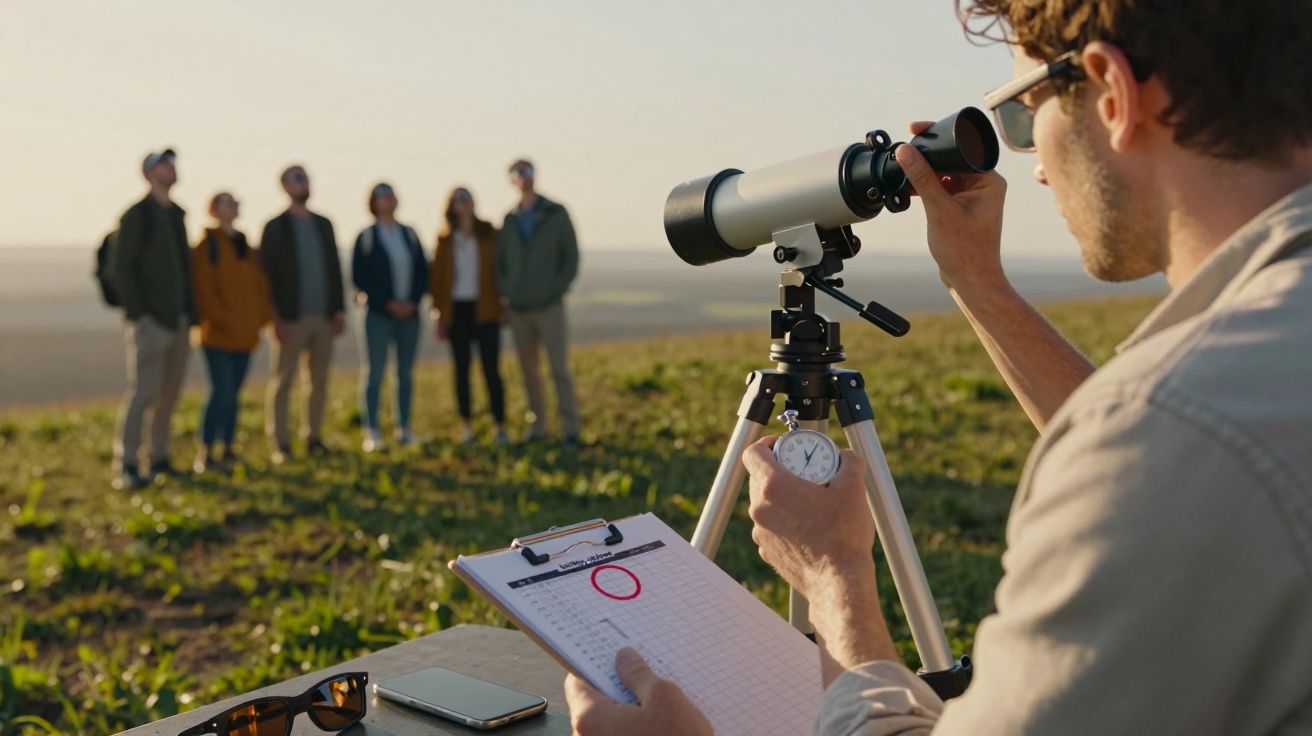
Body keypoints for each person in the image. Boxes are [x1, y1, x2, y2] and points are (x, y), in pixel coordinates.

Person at [565, 1, 1312, 734]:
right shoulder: (1234, 387)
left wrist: (837, 583)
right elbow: (1174, 461)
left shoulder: (1176, 434)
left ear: (1111, 92)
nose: (1037, 167)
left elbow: (1167, 452)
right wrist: (976, 282)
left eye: (1022, 115)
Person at [111, 148, 194, 490]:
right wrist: (140, 314)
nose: (171, 168)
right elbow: (122, 268)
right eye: (164, 164)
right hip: (150, 322)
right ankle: (126, 464)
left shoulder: (176, 215)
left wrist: (189, 313)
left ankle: (158, 458)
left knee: (169, 394)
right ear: (147, 174)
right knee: (142, 393)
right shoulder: (137, 216)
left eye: (173, 162)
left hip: (179, 319)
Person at [259, 165, 346, 464]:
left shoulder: (324, 224)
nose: (305, 182)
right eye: (297, 178)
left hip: (322, 316)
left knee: (319, 381)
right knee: (283, 382)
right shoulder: (275, 228)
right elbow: (265, 276)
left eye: (307, 177)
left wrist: (338, 309)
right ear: (285, 186)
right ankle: (280, 443)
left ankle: (314, 437)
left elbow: (334, 269)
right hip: (290, 319)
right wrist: (274, 318)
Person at [497, 159, 581, 446]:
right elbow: (501, 264)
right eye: (519, 172)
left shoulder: (555, 214)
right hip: (519, 309)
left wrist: (556, 288)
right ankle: (538, 427)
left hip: (549, 306)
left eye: (528, 170)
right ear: (511, 180)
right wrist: (508, 292)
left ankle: (570, 428)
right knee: (528, 372)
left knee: (559, 369)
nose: (525, 177)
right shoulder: (508, 220)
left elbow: (570, 257)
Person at [190, 192, 271, 473]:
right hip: (217, 335)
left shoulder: (244, 245)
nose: (234, 205)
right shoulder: (207, 245)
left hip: (245, 335)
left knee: (234, 393)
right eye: (227, 202)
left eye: (236, 202)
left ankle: (228, 447)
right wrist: (223, 320)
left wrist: (261, 319)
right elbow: (204, 290)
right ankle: (207, 450)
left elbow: (259, 287)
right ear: (213, 209)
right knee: (220, 391)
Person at [350, 182, 428, 452]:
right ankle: (372, 431)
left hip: (410, 315)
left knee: (405, 373)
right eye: (382, 194)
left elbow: (422, 272)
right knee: (374, 372)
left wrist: (412, 302)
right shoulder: (367, 237)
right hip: (378, 316)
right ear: (373, 201)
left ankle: (403, 428)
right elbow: (360, 277)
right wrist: (388, 303)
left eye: (392, 193)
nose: (389, 198)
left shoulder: (409, 235)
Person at [431, 187, 508, 445]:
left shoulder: (489, 234)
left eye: (468, 197)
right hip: (457, 311)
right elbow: (438, 281)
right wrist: (440, 315)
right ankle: (467, 425)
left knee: (491, 370)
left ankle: (500, 426)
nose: (465, 203)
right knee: (461, 371)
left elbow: (500, 271)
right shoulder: (444, 240)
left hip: (485, 310)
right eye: (459, 199)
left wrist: (502, 305)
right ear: (451, 206)